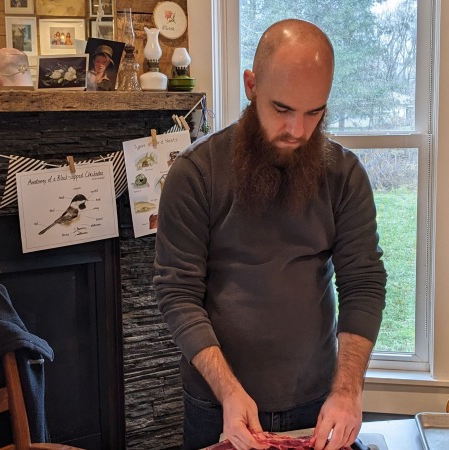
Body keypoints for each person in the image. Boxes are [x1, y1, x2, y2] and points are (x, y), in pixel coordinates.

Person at [153, 18, 387, 450]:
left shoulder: (344, 175)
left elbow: (364, 283)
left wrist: (348, 391)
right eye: (282, 109)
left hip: (316, 402)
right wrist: (228, 391)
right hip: (217, 403)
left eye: (314, 112)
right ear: (251, 85)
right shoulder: (195, 174)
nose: (297, 131)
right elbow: (177, 294)